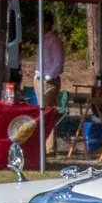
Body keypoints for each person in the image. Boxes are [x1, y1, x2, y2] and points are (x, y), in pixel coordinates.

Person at [35, 11, 65, 153]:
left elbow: (59, 62)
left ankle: (49, 147)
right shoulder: (42, 39)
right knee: (43, 111)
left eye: (39, 23)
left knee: (46, 112)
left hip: (48, 80)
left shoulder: (53, 40)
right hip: (39, 78)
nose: (36, 26)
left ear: (46, 24)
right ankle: (45, 145)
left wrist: (48, 77)